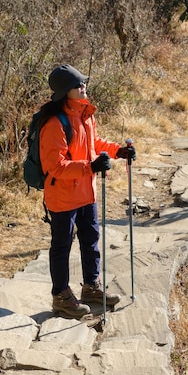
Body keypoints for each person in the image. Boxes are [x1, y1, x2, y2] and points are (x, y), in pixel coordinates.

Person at [38, 64, 136, 319]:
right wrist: (90, 167)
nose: (83, 86)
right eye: (78, 84)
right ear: (64, 92)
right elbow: (55, 166)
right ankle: (60, 296)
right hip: (62, 195)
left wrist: (118, 151)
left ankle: (91, 288)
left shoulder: (85, 114)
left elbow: (93, 144)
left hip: (85, 192)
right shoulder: (54, 124)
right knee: (61, 245)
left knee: (90, 240)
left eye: (83, 82)